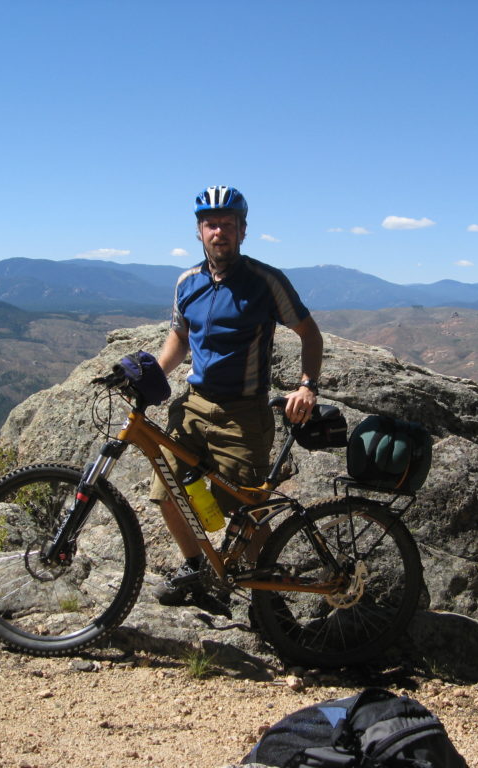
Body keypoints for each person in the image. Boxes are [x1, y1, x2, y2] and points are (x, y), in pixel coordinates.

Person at [151, 185, 323, 605]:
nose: (218, 232)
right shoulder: (187, 282)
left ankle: (270, 601)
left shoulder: (265, 281)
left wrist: (307, 385)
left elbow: (309, 333)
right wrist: (151, 374)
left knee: (245, 510)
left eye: (227, 224)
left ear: (243, 231)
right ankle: (194, 568)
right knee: (168, 489)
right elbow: (179, 339)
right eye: (211, 224)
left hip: (243, 413)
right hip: (194, 405)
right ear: (199, 232)